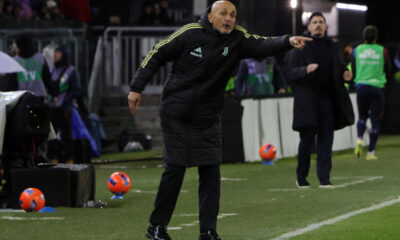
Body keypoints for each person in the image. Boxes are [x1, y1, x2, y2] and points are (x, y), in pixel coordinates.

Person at [128, 1, 311, 239]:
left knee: (211, 173)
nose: (229, 18)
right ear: (211, 16)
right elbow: (156, 53)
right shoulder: (189, 33)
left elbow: (263, 44)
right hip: (177, 112)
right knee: (175, 169)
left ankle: (208, 232)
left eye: (233, 15)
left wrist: (287, 41)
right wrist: (136, 87)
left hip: (208, 115)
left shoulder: (238, 39)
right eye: (223, 13)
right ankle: (156, 227)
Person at [285, 12, 354, 189]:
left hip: (327, 102)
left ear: (325, 26)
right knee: (306, 143)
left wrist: (346, 76)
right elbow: (290, 73)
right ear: (308, 27)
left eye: (321, 22)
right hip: (307, 102)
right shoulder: (300, 46)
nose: (318, 25)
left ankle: (324, 179)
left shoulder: (332, 46)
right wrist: (305, 70)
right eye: (314, 22)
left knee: (325, 142)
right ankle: (302, 178)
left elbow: (339, 71)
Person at [353, 26, 391, 160]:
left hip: (361, 86)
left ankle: (359, 139)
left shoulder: (357, 50)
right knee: (375, 121)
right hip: (377, 87)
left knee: (362, 117)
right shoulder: (383, 51)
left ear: (364, 36)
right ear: (376, 37)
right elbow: (388, 69)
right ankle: (370, 152)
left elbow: (353, 66)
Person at [47, 45, 81, 163]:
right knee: (52, 135)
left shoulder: (71, 71)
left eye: (58, 52)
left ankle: (69, 159)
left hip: (65, 107)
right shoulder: (51, 70)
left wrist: (65, 100)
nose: (55, 55)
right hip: (52, 107)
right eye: (55, 52)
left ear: (63, 55)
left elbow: (76, 89)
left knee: (67, 134)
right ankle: (53, 158)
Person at [12, 34, 53, 100]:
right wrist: (53, 93)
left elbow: (12, 81)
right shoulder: (40, 58)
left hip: (21, 96)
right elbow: (47, 78)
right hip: (38, 94)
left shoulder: (15, 61)